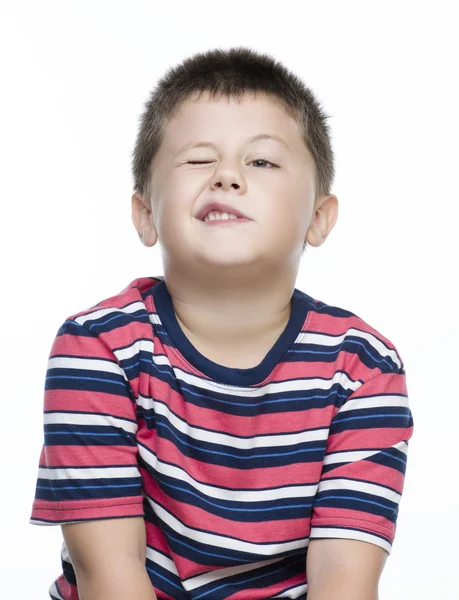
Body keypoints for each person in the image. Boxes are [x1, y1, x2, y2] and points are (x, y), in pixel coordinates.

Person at [30, 46, 414, 600]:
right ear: (145, 215)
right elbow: (108, 577)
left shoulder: (362, 368)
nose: (227, 177)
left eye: (261, 162)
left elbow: (345, 579)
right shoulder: (97, 348)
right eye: (196, 160)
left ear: (319, 218)